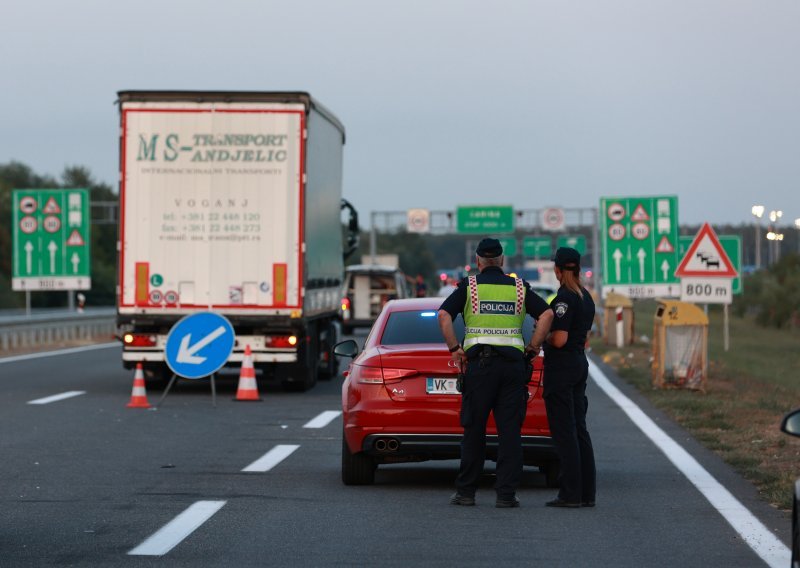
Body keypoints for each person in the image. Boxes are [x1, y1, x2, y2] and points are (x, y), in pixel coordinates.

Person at [438, 238, 554, 508]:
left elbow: (444, 315)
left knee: (474, 430)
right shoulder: (519, 288)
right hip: (513, 368)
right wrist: (533, 347)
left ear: (478, 261)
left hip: (480, 368)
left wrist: (455, 348)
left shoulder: (470, 287)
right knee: (510, 432)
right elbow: (547, 314)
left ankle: (466, 492)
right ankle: (506, 495)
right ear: (502, 261)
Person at [541, 247, 596, 508]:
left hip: (562, 367)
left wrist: (543, 337)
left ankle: (570, 493)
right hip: (579, 364)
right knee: (579, 429)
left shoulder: (563, 298)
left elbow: (560, 339)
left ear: (559, 270)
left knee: (565, 432)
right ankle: (587, 493)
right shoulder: (586, 297)